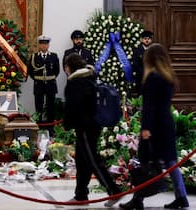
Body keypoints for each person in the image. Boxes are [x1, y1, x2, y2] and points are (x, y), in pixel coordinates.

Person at [119, 44, 189, 209]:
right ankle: (181, 196)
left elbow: (150, 106)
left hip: (154, 126)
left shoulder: (153, 78)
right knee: (170, 161)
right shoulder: (168, 76)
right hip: (166, 122)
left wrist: (145, 128)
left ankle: (138, 199)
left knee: (143, 161)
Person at [63, 53, 122, 207]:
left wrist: (67, 123)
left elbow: (73, 107)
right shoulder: (89, 77)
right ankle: (81, 195)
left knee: (92, 159)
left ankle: (114, 190)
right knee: (82, 160)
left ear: (69, 67)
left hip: (85, 126)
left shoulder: (76, 82)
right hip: (93, 124)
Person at [28, 35, 60, 134]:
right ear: (39, 45)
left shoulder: (54, 56)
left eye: (46, 44)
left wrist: (49, 78)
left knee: (51, 106)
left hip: (50, 84)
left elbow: (57, 70)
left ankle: (50, 128)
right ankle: (39, 126)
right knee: (39, 106)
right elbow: (31, 71)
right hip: (39, 85)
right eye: (42, 44)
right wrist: (38, 79)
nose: (44, 46)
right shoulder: (34, 57)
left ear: (48, 45)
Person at [131, 30, 153, 96]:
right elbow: (135, 65)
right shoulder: (137, 50)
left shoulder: (153, 50)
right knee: (141, 96)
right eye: (145, 39)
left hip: (152, 78)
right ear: (141, 40)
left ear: (151, 40)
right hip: (141, 78)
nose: (147, 40)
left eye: (148, 39)